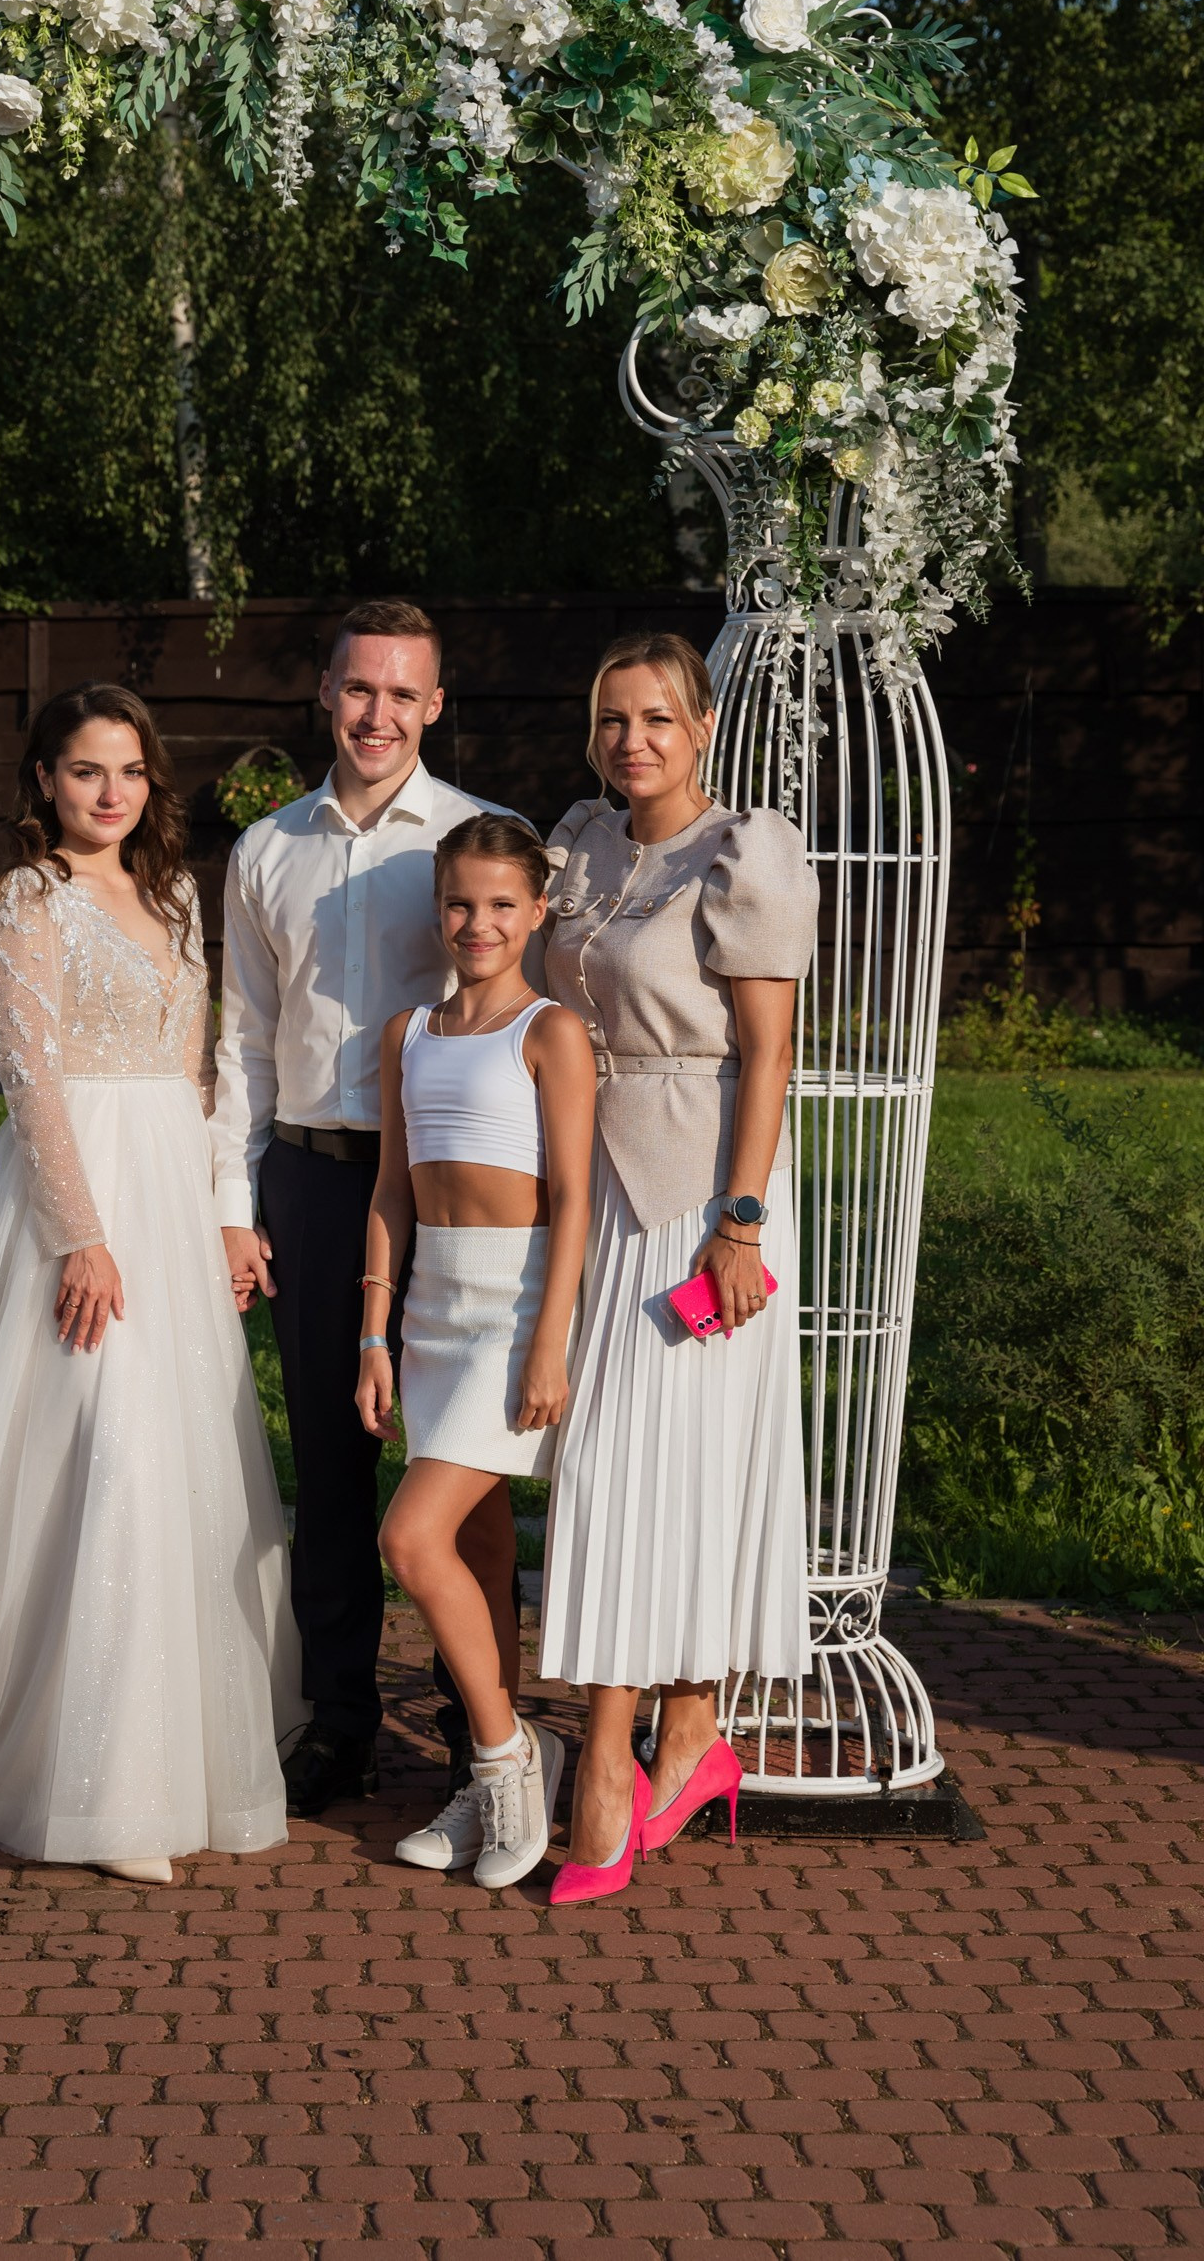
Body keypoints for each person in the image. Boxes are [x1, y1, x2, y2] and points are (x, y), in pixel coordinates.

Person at [0, 684, 301, 1882]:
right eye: (82, 771)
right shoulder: (22, 901)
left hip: (171, 1187)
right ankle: (91, 1780)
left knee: (174, 1455)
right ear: (43, 782)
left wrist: (227, 1215)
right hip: (82, 1196)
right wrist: (80, 1232)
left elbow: (201, 1069)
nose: (106, 792)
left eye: (125, 771)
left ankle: (172, 1759)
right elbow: (28, 1078)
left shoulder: (169, 893)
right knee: (96, 1442)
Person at [215, 599, 513, 1814]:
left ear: (434, 705)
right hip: (306, 1177)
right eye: (357, 688)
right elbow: (237, 1035)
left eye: (403, 693)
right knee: (331, 1466)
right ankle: (338, 1720)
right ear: (324, 692)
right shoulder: (263, 850)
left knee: (458, 1467)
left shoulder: (477, 843)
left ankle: (471, 1721)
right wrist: (235, 1200)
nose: (377, 713)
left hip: (443, 1189)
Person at [538, 630, 818, 1907]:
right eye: (610, 719)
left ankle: (613, 1756)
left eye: (654, 717)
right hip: (592, 1187)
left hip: (702, 1196)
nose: (630, 739)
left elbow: (767, 1052)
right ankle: (692, 1731)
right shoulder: (580, 843)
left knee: (634, 1470)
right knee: (636, 1466)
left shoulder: (742, 852)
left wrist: (742, 1220)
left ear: (700, 724)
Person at [357, 815, 597, 1890]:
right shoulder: (406, 1031)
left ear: (535, 909)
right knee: (483, 1550)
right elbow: (389, 1193)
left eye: (502, 903)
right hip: (429, 1317)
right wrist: (373, 1333)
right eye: (461, 902)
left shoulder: (549, 1031)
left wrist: (549, 1338)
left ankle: (508, 1756)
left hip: (512, 1313)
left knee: (410, 1539)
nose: (479, 922)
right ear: (438, 906)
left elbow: (578, 1195)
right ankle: (482, 1765)